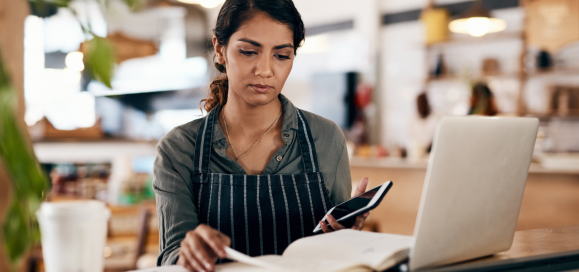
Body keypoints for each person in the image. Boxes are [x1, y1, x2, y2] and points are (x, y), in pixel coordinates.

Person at [153, 1, 370, 271]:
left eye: (281, 55)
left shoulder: (325, 138)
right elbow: (171, 256)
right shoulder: (179, 149)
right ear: (220, 50)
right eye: (248, 52)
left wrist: (349, 234)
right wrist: (187, 255)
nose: (265, 70)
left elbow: (338, 250)